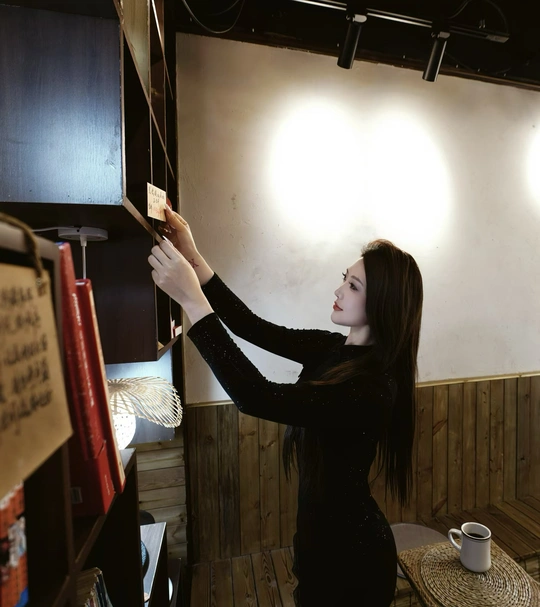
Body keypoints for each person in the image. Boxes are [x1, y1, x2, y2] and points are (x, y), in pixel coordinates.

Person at [148, 207, 423, 607]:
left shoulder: (372, 390)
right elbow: (250, 326)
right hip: (319, 544)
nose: (338, 291)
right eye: (344, 279)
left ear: (383, 302)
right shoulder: (330, 348)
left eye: (353, 286)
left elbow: (255, 395)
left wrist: (192, 301)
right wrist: (193, 257)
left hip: (355, 560)